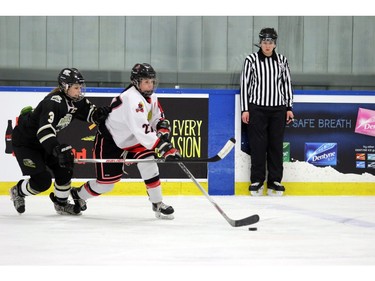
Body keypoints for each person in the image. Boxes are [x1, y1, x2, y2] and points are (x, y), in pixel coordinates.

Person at [70, 63, 181, 219]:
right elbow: (141, 129)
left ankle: (157, 203)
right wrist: (163, 146)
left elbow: (157, 118)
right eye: (146, 82)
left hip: (132, 139)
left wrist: (162, 130)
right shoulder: (131, 98)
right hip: (111, 139)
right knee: (106, 185)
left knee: (148, 162)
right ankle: (78, 194)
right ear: (136, 82)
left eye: (152, 81)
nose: (150, 85)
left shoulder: (151, 96)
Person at [10, 68, 111, 215]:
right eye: (76, 87)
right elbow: (44, 131)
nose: (79, 91)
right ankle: (18, 191)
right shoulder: (53, 102)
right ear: (65, 87)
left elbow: (90, 113)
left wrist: (99, 114)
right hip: (27, 143)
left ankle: (61, 203)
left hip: (44, 142)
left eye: (80, 87)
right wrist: (56, 148)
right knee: (42, 182)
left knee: (65, 167)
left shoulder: (76, 101)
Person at [240, 28, 294, 197]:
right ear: (260, 43)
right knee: (257, 146)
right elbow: (245, 85)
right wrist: (245, 109)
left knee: (276, 146)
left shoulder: (282, 61)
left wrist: (289, 108)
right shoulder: (251, 60)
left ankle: (275, 181)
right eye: (264, 42)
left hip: (278, 109)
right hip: (257, 108)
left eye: (270, 42)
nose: (267, 45)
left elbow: (287, 84)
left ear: (275, 43)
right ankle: (257, 180)